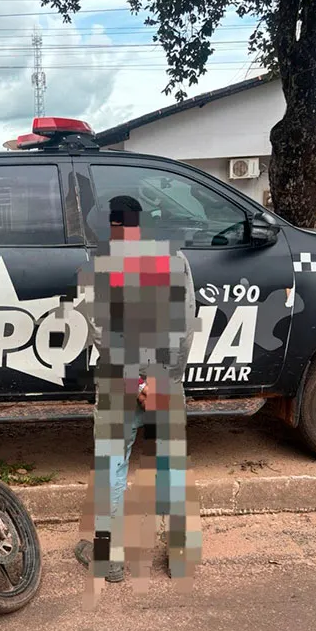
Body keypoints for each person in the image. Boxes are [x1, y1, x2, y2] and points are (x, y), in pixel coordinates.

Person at [73, 195, 201, 584]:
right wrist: (162, 380)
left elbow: (102, 335)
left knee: (112, 466)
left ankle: (110, 560)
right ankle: (179, 558)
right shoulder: (176, 261)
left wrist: (138, 381)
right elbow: (185, 326)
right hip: (166, 381)